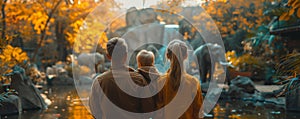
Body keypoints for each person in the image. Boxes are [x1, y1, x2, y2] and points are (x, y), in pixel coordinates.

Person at [89, 37, 155, 119]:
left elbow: (95, 112)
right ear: (126, 55)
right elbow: (149, 110)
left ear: (108, 56)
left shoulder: (98, 82)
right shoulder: (139, 79)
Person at [157, 39, 204, 119]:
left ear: (167, 56)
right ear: (186, 56)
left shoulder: (160, 82)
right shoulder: (194, 83)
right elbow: (198, 113)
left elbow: (158, 113)